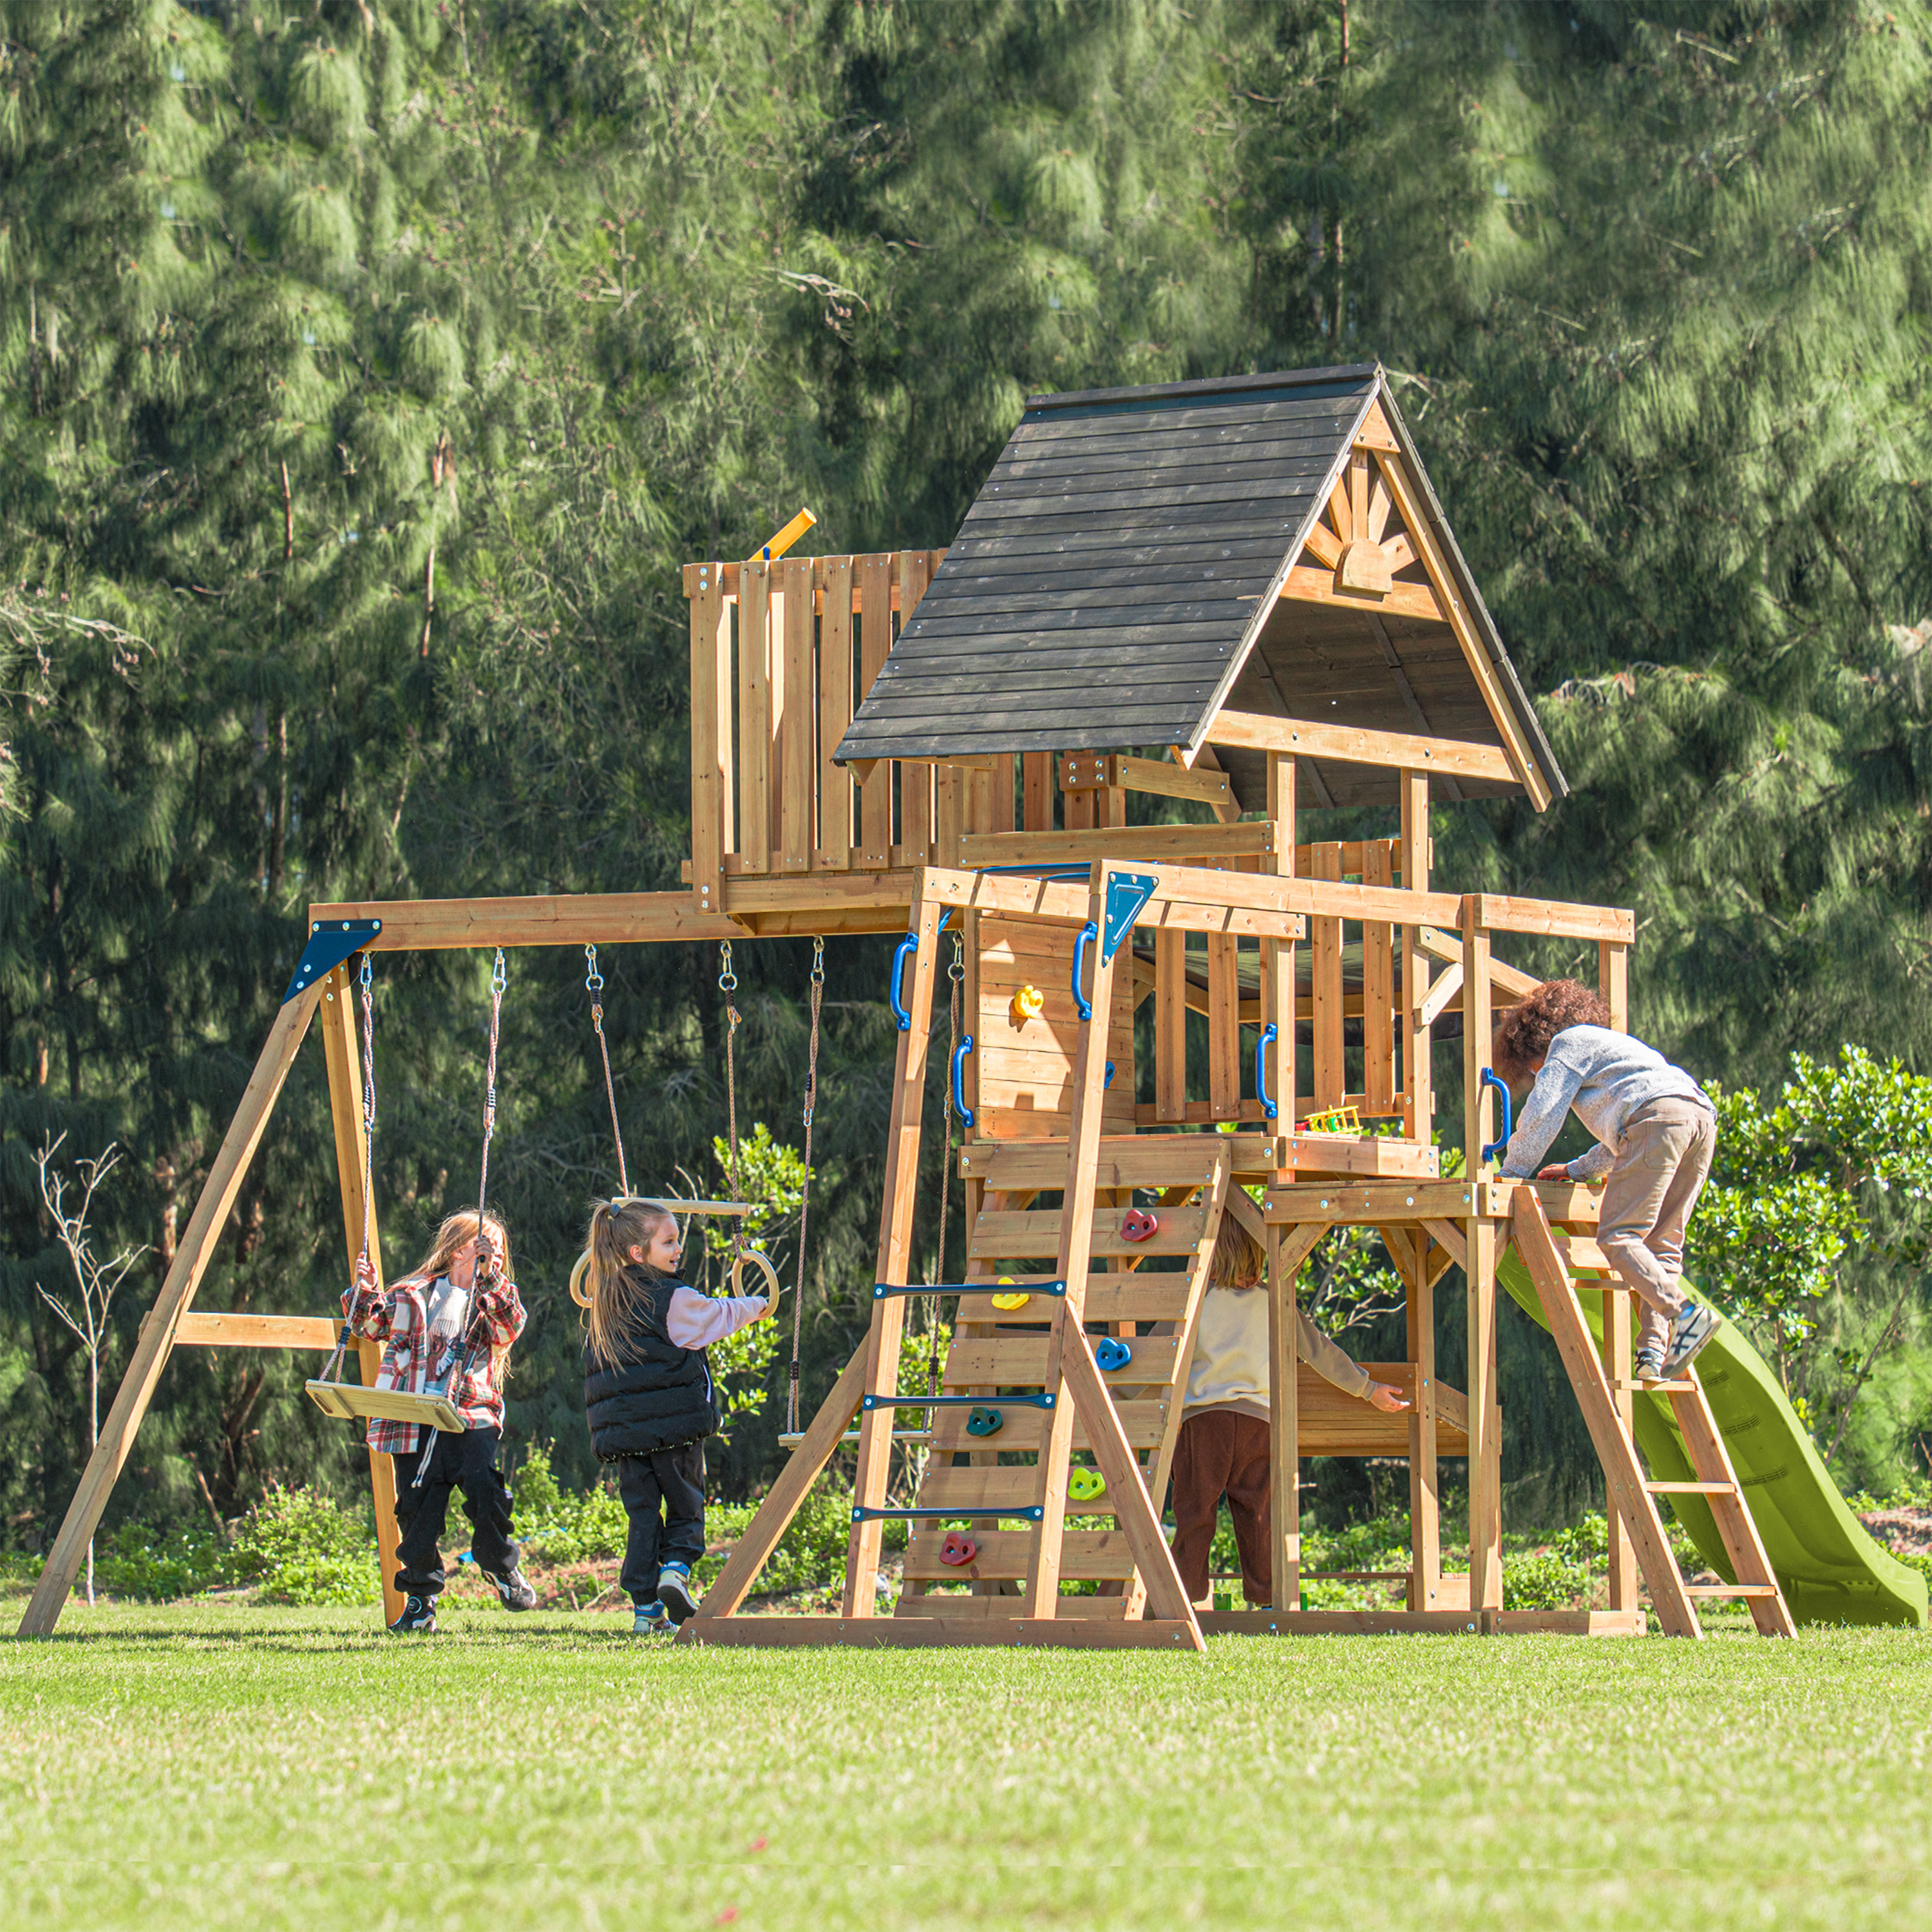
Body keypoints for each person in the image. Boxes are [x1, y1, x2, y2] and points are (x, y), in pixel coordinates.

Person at [1171, 1216, 1410, 1611]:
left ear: (1211, 1254)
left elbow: (1160, 1353)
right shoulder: (1274, 1301)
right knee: (1258, 1513)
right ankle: (1268, 1600)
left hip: (1205, 1423)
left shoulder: (1196, 1300)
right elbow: (1319, 1351)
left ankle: (1183, 1597)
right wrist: (1368, 1389)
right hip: (1258, 1424)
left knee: (1195, 1511)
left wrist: (1119, 1393)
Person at [1492, 978, 1721, 1383]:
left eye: (1533, 1071)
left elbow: (1544, 1113)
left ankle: (1686, 1314)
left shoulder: (1567, 1045)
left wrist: (1511, 1173)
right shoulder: (1616, 1049)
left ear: (1534, 1047)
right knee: (1662, 1246)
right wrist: (1576, 1170)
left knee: (1618, 1237)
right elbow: (1626, 1140)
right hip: (1698, 1118)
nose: (1537, 1076)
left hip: (1658, 1119)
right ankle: (1654, 1351)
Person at [572, 1197, 774, 1635]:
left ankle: (646, 1610)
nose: (678, 1248)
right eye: (669, 1242)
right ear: (637, 1253)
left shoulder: (605, 1301)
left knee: (642, 1516)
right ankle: (675, 1570)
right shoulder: (672, 1298)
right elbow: (716, 1316)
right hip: (674, 1431)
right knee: (686, 1506)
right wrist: (757, 1304)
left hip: (627, 1438)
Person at [345, 1208, 536, 1634]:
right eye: (482, 1246)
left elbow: (511, 1327)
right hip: (415, 1418)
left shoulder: (492, 1300)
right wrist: (366, 1289)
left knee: (485, 1488)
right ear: (454, 1251)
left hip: (469, 1414)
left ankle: (498, 1565)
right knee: (416, 1511)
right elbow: (367, 1324)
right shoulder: (414, 1294)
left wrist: (492, 1280)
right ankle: (420, 1598)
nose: (492, 1255)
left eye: (498, 1250)